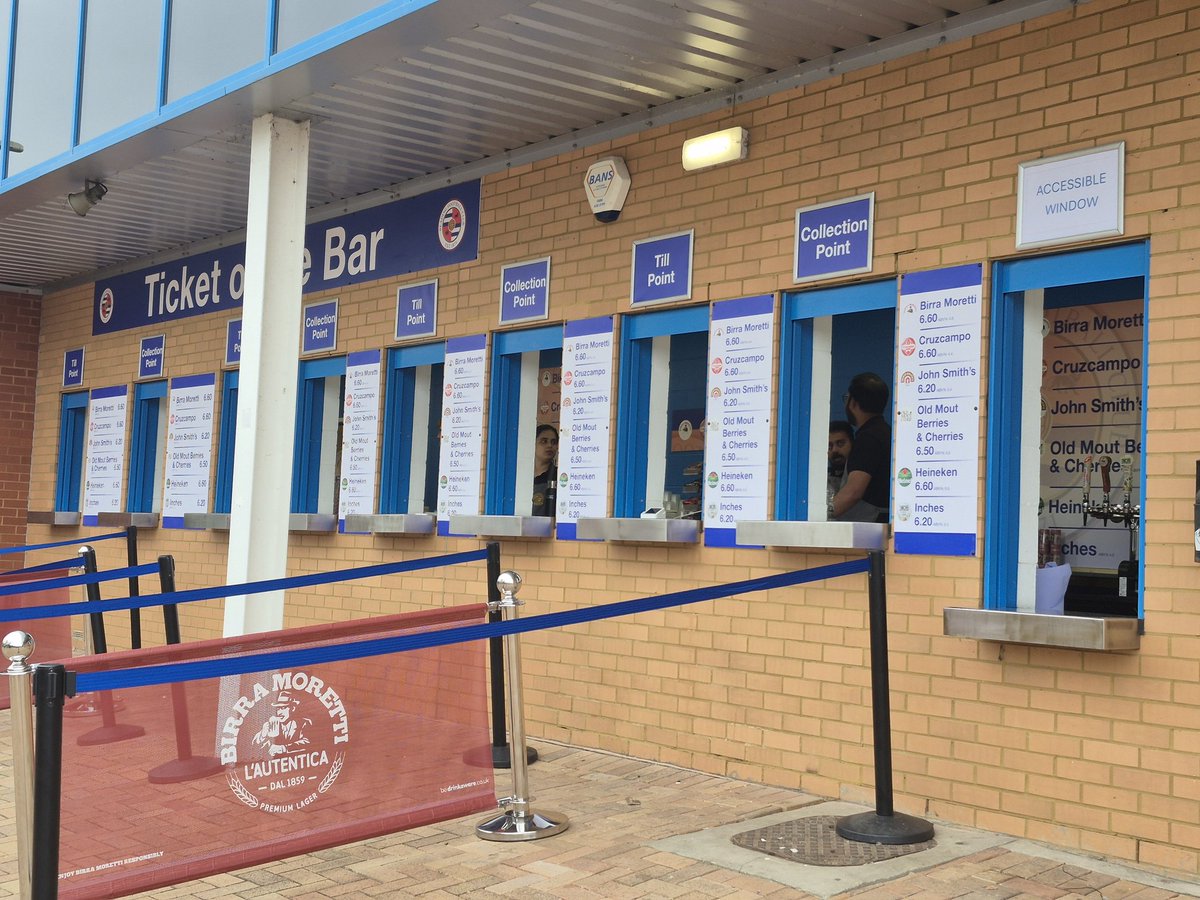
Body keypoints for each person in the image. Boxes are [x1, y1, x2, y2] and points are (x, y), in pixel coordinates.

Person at [831, 372, 891, 523]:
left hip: (868, 528)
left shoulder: (868, 439)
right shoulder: (887, 433)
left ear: (853, 403)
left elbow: (853, 492)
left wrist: (822, 517)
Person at [827, 420, 854, 515]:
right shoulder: (821, 480)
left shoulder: (863, 478)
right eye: (829, 446)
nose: (835, 450)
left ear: (852, 444)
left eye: (840, 443)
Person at [532, 423, 558, 517]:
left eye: (553, 442)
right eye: (544, 441)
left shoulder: (558, 476)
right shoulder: (522, 474)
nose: (549, 445)